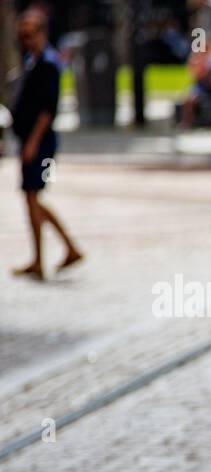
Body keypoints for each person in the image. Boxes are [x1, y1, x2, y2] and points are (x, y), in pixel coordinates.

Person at [10, 7, 82, 281]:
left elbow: (47, 110)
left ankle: (68, 248)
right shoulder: (33, 61)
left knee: (33, 197)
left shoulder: (49, 64)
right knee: (31, 199)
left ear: (42, 33)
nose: (25, 39)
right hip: (29, 140)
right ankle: (40, 259)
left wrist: (32, 142)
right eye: (22, 34)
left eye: (30, 33)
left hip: (40, 142)